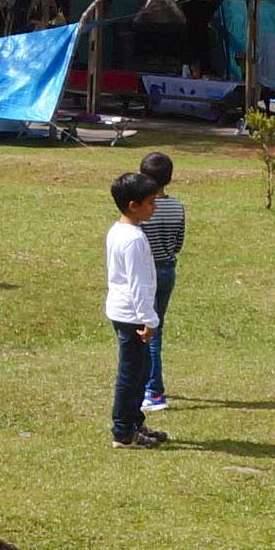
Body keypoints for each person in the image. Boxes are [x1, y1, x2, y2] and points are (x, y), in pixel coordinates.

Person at [104, 168, 167, 448]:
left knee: (141, 371)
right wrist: (149, 320)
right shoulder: (132, 239)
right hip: (132, 315)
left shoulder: (121, 231)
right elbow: (138, 284)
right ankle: (123, 432)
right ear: (133, 205)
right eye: (151, 202)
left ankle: (134, 422)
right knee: (130, 375)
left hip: (127, 311)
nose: (154, 207)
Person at [138, 150, 186, 413]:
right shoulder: (177, 206)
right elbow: (179, 242)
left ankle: (154, 391)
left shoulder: (144, 209)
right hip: (168, 270)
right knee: (157, 327)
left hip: (149, 272)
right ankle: (148, 382)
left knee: (148, 331)